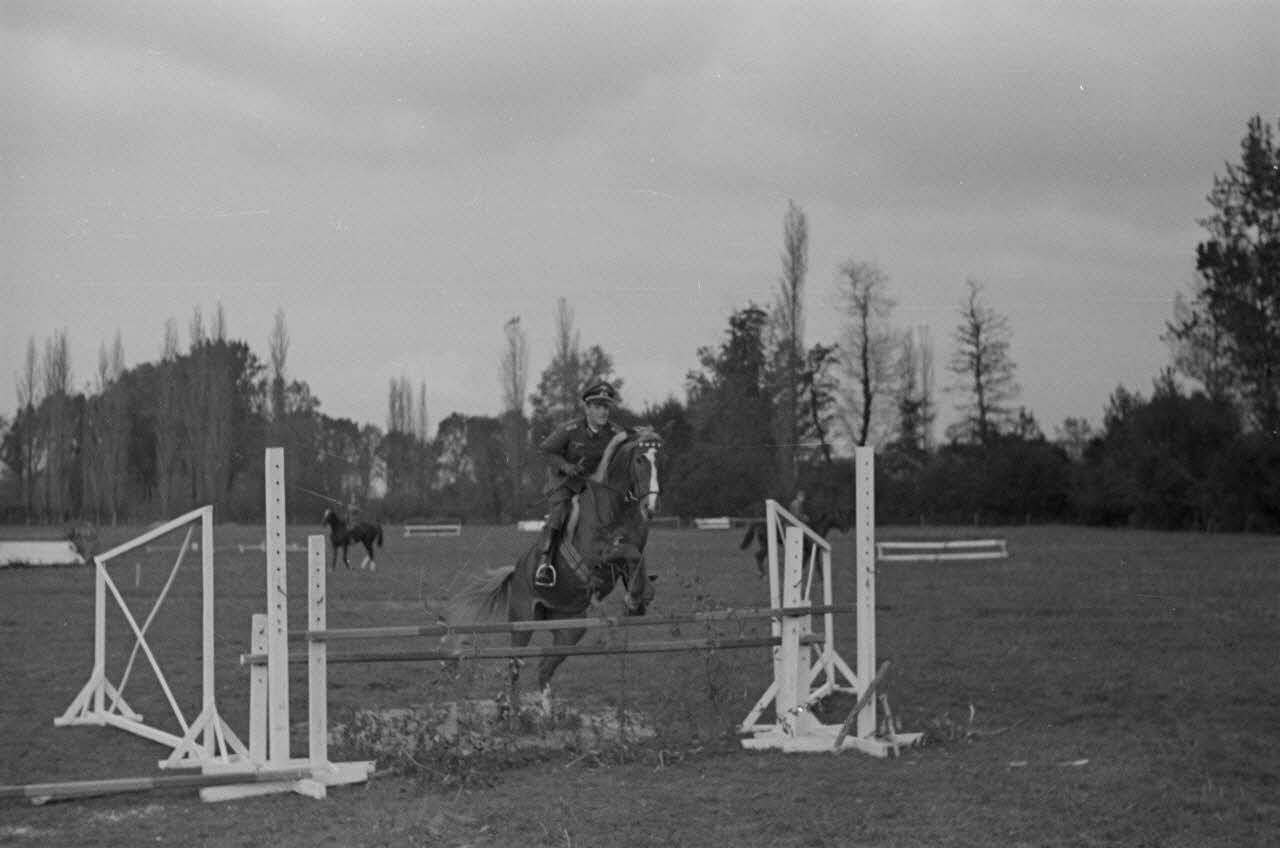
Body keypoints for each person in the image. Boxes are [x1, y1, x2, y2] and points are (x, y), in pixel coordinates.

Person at [533, 381, 622, 588]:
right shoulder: (569, 429)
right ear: (587, 408)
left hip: (594, 485)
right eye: (598, 407)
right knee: (561, 512)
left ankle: (630, 568)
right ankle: (545, 564)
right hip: (564, 483)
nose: (603, 412)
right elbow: (545, 451)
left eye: (606, 407)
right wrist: (565, 466)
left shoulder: (615, 433)